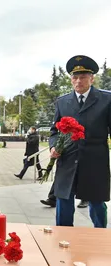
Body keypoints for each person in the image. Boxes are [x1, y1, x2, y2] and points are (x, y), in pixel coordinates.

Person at [48, 55, 110, 227]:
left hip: (94, 161)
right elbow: (54, 131)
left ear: (92, 78)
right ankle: (63, 241)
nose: (78, 81)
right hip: (68, 160)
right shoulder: (62, 102)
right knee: (63, 203)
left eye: (83, 77)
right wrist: (53, 146)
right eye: (75, 77)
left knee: (97, 205)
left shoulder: (106, 100)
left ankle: (101, 238)